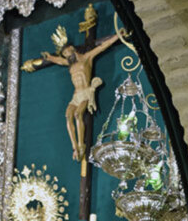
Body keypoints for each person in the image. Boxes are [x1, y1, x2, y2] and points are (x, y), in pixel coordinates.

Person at [22, 25, 121, 161]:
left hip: (86, 93)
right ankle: (75, 147)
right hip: (75, 96)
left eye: (67, 53)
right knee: (68, 116)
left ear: (72, 49)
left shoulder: (87, 57)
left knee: (77, 114)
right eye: (65, 55)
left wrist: (118, 36)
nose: (67, 56)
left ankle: (81, 145)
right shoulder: (69, 63)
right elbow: (57, 60)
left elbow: (103, 46)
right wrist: (49, 57)